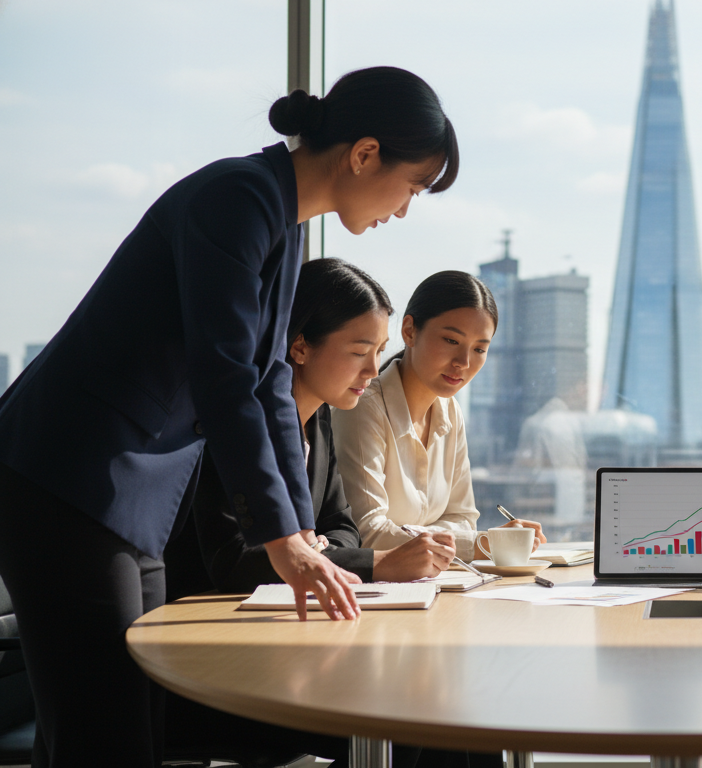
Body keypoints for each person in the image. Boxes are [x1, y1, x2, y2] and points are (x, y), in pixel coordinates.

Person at [0, 65, 459, 766]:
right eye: (413, 186)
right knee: (103, 732)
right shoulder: (236, 197)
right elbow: (226, 376)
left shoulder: (281, 219)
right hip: (70, 477)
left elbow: (271, 379)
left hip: (131, 495)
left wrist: (298, 530)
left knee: (131, 727)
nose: (404, 208)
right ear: (365, 154)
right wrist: (284, 541)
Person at [163, 257, 488, 768]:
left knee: (459, 708)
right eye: (361, 352)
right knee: (416, 714)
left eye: (379, 352)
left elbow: (339, 525)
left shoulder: (321, 423)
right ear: (300, 345)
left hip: (288, 641)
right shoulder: (238, 434)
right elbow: (232, 563)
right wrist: (371, 563)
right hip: (218, 666)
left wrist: (316, 551)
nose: (372, 370)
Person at [333, 271, 546, 559]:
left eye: (480, 349)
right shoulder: (363, 408)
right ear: (409, 330)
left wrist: (428, 536)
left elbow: (463, 517)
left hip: (434, 583)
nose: (464, 362)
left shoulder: (449, 411)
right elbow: (368, 532)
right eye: (450, 340)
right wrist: (485, 543)